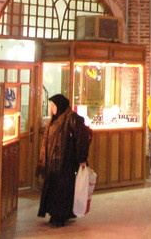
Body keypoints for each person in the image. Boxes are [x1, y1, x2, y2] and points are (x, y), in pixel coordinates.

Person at [36, 94, 92, 227]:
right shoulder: (55, 120)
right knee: (53, 189)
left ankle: (60, 215)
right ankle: (55, 214)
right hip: (53, 163)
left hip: (66, 163)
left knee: (62, 190)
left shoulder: (71, 118)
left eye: (53, 106)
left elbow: (81, 138)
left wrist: (81, 158)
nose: (51, 109)